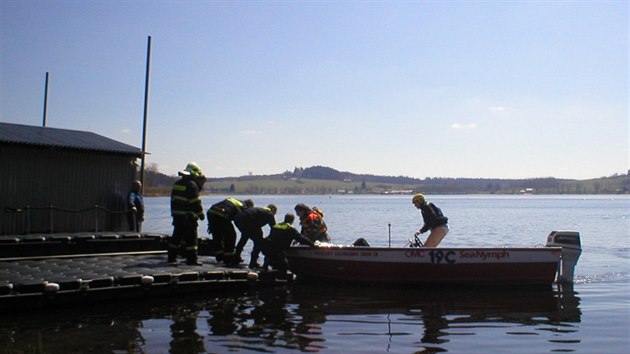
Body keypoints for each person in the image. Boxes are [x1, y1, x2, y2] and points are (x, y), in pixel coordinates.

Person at [168, 162, 206, 265]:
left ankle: (171, 258)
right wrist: (201, 214)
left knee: (176, 237)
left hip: (177, 216)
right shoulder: (192, 185)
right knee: (191, 239)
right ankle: (192, 260)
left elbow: (173, 200)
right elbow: (195, 202)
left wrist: (174, 214)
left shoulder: (177, 184)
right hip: (188, 217)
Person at [207, 197, 254, 263]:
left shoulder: (234, 200)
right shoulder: (243, 207)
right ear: (249, 206)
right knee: (231, 236)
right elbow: (241, 221)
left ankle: (219, 256)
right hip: (222, 215)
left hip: (211, 212)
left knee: (217, 234)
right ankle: (228, 257)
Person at [233, 204, 277, 268]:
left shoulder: (259, 210)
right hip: (248, 220)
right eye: (275, 213)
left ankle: (235, 258)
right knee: (258, 241)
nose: (274, 215)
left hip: (238, 218)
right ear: (273, 210)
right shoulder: (269, 214)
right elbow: (274, 228)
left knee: (244, 237)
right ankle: (253, 262)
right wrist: (270, 238)